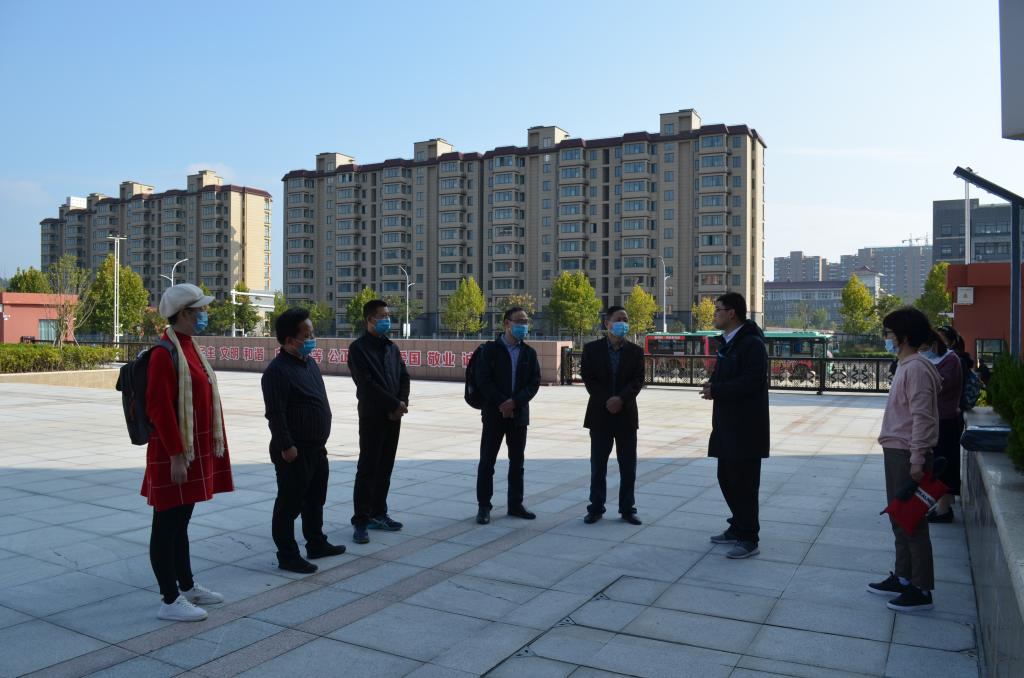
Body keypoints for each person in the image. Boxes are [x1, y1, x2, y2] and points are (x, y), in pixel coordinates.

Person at [143, 283, 233, 622]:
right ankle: (169, 600)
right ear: (183, 314)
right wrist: (177, 456)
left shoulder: (189, 347)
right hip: (174, 454)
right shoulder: (164, 353)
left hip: (191, 450)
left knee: (180, 524)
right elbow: (160, 409)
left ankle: (187, 585)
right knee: (166, 526)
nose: (204, 315)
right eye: (200, 311)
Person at [262, 308, 346, 574]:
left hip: (316, 448)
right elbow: (275, 413)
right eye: (306, 335)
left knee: (315, 500)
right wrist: (287, 445)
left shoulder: (309, 363)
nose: (312, 339)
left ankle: (316, 542)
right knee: (289, 505)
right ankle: (288, 555)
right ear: (289, 340)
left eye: (312, 333)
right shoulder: (276, 372)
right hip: (294, 451)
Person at [868, 307, 940, 612]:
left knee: (912, 522)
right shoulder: (906, 365)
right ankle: (903, 577)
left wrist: (917, 458)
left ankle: (921, 589)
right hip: (897, 451)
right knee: (900, 519)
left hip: (907, 453)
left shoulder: (916, 369)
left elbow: (922, 417)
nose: (886, 338)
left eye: (889, 333)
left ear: (904, 336)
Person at [701, 292, 769, 559]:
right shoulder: (729, 343)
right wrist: (713, 386)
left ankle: (749, 537)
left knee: (745, 484)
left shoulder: (751, 344)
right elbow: (729, 377)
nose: (714, 314)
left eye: (718, 310)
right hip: (726, 425)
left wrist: (717, 390)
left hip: (746, 428)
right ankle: (737, 526)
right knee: (727, 478)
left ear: (732, 313)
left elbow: (751, 381)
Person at [348, 299, 409, 544]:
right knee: (368, 469)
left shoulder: (391, 347)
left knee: (385, 467)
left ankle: (379, 513)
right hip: (372, 416)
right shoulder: (358, 349)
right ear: (370, 319)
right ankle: (361, 520)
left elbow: (404, 376)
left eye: (388, 315)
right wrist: (393, 405)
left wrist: (402, 403)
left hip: (394, 417)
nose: (387, 320)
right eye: (382, 316)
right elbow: (366, 385)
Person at [474, 306, 541, 524]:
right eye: (519, 321)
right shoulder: (490, 350)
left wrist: (514, 402)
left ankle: (515, 504)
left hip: (518, 415)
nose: (523, 325)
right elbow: (483, 380)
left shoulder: (529, 353)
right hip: (494, 414)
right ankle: (484, 506)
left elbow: (533, 384)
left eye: (525, 321)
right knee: (487, 462)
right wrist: (502, 402)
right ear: (506, 323)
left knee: (517, 462)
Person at [581, 306, 645, 525]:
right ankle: (596, 508)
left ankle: (627, 509)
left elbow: (637, 380)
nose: (623, 323)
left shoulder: (635, 351)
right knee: (598, 466)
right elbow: (589, 379)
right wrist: (608, 400)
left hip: (626, 415)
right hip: (600, 414)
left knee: (628, 466)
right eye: (619, 319)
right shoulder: (592, 349)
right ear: (607, 323)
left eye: (625, 319)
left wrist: (621, 399)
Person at [922, 331, 963, 524]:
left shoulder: (951, 360)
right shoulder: (935, 360)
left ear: (933, 344)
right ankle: (940, 505)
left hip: (945, 421)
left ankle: (944, 508)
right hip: (934, 419)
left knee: (944, 466)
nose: (922, 351)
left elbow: (939, 385)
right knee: (935, 465)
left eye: (923, 347)